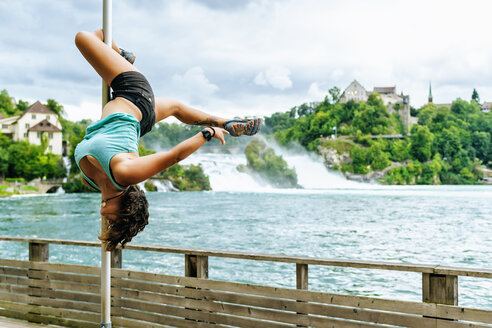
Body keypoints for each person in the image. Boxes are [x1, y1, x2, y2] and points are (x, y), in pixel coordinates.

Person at [74, 29, 261, 251]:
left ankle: (225, 122)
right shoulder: (125, 174)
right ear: (124, 208)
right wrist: (206, 134)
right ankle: (119, 53)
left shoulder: (90, 181)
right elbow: (174, 156)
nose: (109, 221)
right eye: (116, 221)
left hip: (135, 122)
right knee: (86, 37)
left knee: (175, 107)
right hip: (132, 94)